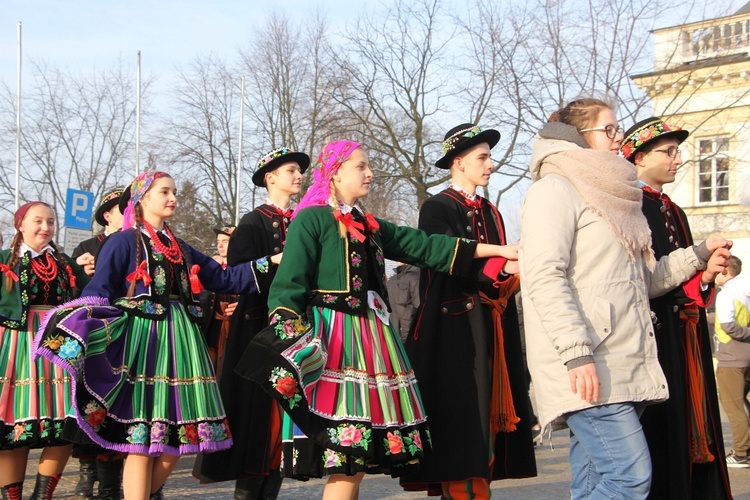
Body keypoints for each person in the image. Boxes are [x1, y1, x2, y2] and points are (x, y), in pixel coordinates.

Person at [235, 140, 519, 500]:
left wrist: (498, 250)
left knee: (357, 455)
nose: (370, 173)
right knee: (345, 453)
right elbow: (288, 286)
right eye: (361, 166)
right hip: (335, 341)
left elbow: (427, 246)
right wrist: (291, 347)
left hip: (369, 341)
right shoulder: (313, 218)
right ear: (335, 172)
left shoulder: (367, 224)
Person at [519, 98, 731, 499]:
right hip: (589, 364)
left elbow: (642, 282)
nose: (619, 138)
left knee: (593, 483)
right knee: (629, 479)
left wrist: (697, 254)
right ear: (581, 136)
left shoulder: (611, 193)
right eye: (610, 130)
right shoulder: (554, 189)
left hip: (623, 360)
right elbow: (544, 276)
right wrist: (577, 354)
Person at [35, 171, 278, 500]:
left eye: (174, 191)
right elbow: (99, 291)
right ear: (142, 199)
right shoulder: (123, 242)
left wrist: (276, 260)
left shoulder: (181, 247)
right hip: (143, 344)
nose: (173, 197)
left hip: (181, 346)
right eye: (164, 191)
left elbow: (224, 278)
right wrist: (83, 330)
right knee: (142, 441)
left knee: (176, 442)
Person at [400, 124, 536, 498]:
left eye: (490, 157)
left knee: (489, 418)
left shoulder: (491, 210)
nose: (491, 165)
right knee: (461, 420)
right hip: (454, 334)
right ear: (458, 163)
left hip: (493, 323)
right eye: (483, 157)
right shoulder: (437, 206)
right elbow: (447, 258)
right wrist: (503, 264)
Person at [622, 117, 731, 498]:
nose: (678, 159)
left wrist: (705, 279)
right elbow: (645, 278)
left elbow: (686, 277)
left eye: (677, 151)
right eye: (667, 151)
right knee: (664, 430)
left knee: (694, 423)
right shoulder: (631, 206)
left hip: (686, 332)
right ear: (637, 158)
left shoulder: (675, 209)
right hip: (656, 337)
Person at [194, 147, 309, 499]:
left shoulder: (306, 219)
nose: (298, 176)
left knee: (284, 421)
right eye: (291, 170)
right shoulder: (252, 222)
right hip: (259, 329)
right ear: (270, 178)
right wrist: (274, 260)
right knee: (256, 416)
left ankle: (271, 487)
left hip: (299, 330)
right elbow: (239, 278)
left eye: (299, 171)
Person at [0, 201, 90, 500]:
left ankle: (43, 495)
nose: (45, 228)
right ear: (21, 225)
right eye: (38, 221)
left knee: (67, 422)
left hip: (58, 348)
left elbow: (92, 296)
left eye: (51, 222)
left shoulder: (65, 264)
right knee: (15, 427)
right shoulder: (5, 261)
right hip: (16, 346)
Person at [68, 187, 126, 500]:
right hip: (97, 331)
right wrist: (79, 270)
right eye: (122, 208)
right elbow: (76, 293)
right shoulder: (88, 246)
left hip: (128, 329)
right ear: (107, 214)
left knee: (121, 406)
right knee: (93, 399)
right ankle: (88, 471)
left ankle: (115, 483)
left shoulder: (137, 242)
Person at [715, 256, 750, 468]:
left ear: (725, 271)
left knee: (733, 407)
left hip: (731, 357)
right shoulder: (745, 292)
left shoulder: (727, 294)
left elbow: (728, 326)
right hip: (745, 356)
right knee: (743, 405)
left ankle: (740, 454)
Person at [202, 225, 237, 374]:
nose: (220, 245)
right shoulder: (211, 267)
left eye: (225, 241)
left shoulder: (242, 269)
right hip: (212, 329)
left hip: (234, 330)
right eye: (218, 241)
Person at [72, 187, 125, 277]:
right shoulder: (86, 248)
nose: (129, 215)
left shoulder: (138, 242)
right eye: (122, 211)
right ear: (107, 216)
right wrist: (81, 274)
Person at [385, 262, 419, 343]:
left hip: (407, 333)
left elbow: (419, 306)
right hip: (392, 330)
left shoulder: (415, 277)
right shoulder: (393, 279)